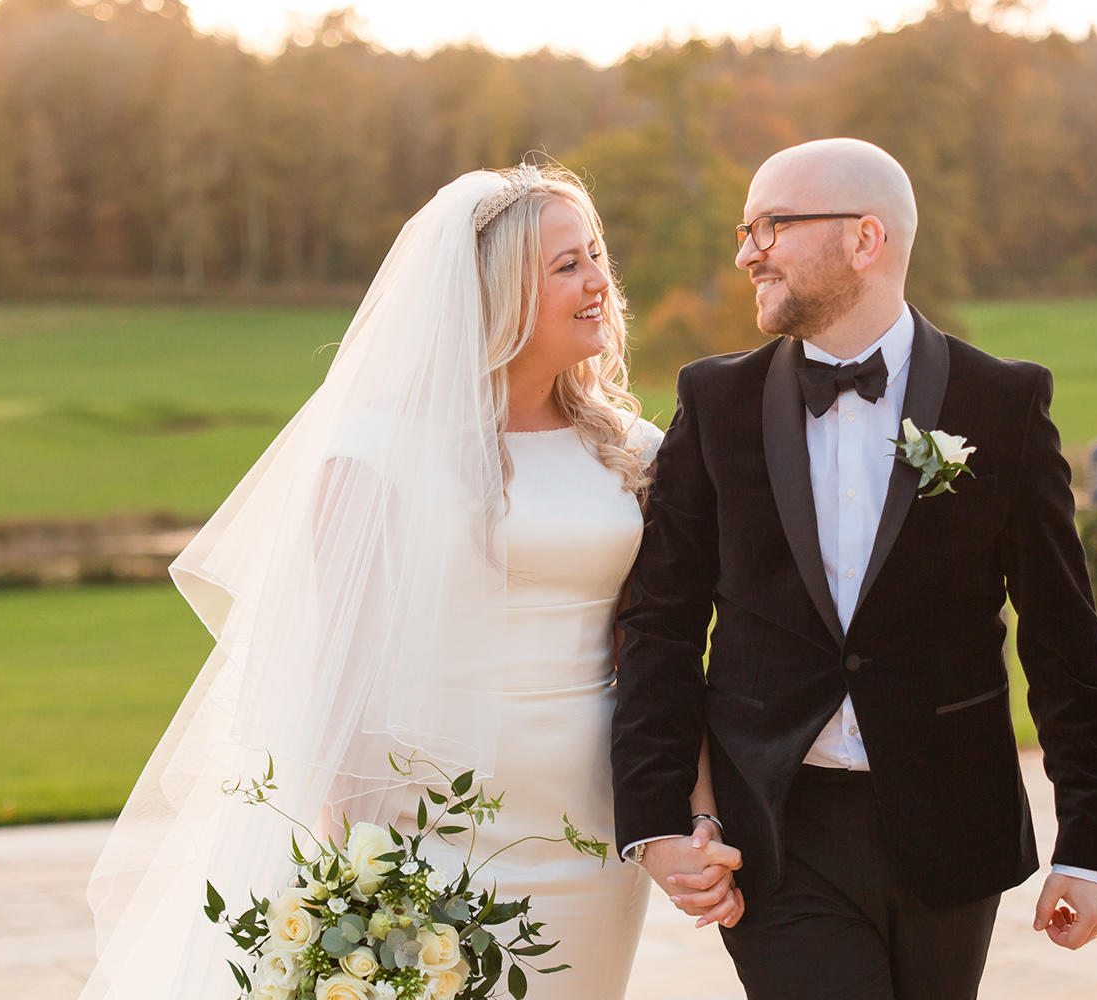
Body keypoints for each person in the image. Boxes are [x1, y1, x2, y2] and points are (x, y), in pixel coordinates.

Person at [79, 163, 739, 1000]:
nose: (600, 282)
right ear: (495, 294)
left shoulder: (635, 450)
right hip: (432, 825)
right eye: (567, 265)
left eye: (597, 254)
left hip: (592, 822)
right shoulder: (375, 458)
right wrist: (360, 880)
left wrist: (690, 816)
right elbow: (344, 685)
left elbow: (659, 655)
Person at [611, 138, 1097, 999]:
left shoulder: (1000, 403)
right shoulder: (715, 403)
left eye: (771, 227)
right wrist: (663, 820)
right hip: (775, 831)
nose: (747, 253)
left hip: (952, 823)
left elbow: (1064, 637)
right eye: (745, 230)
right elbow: (660, 625)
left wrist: (1093, 847)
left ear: (866, 239)